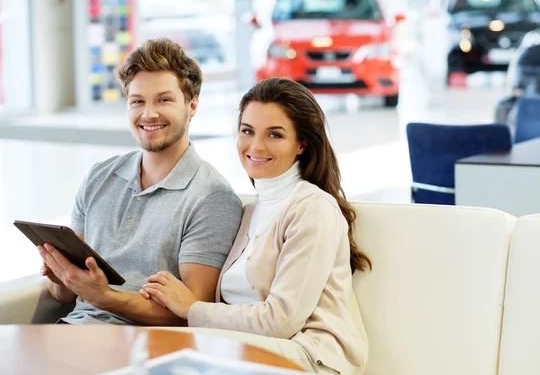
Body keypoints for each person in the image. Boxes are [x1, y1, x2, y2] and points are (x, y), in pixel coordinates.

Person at [140, 77, 371, 374]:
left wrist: (192, 309)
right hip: (245, 350)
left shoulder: (312, 208)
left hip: (309, 357)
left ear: (301, 144)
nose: (256, 146)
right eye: (247, 131)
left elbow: (280, 321)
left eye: (274, 135)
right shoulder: (250, 211)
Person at [37, 38, 242, 325]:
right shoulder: (99, 177)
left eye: (164, 100)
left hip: (145, 346)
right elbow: (63, 296)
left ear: (192, 105)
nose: (149, 114)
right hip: (74, 330)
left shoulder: (212, 197)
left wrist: (104, 297)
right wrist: (62, 276)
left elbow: (193, 313)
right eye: (137, 102)